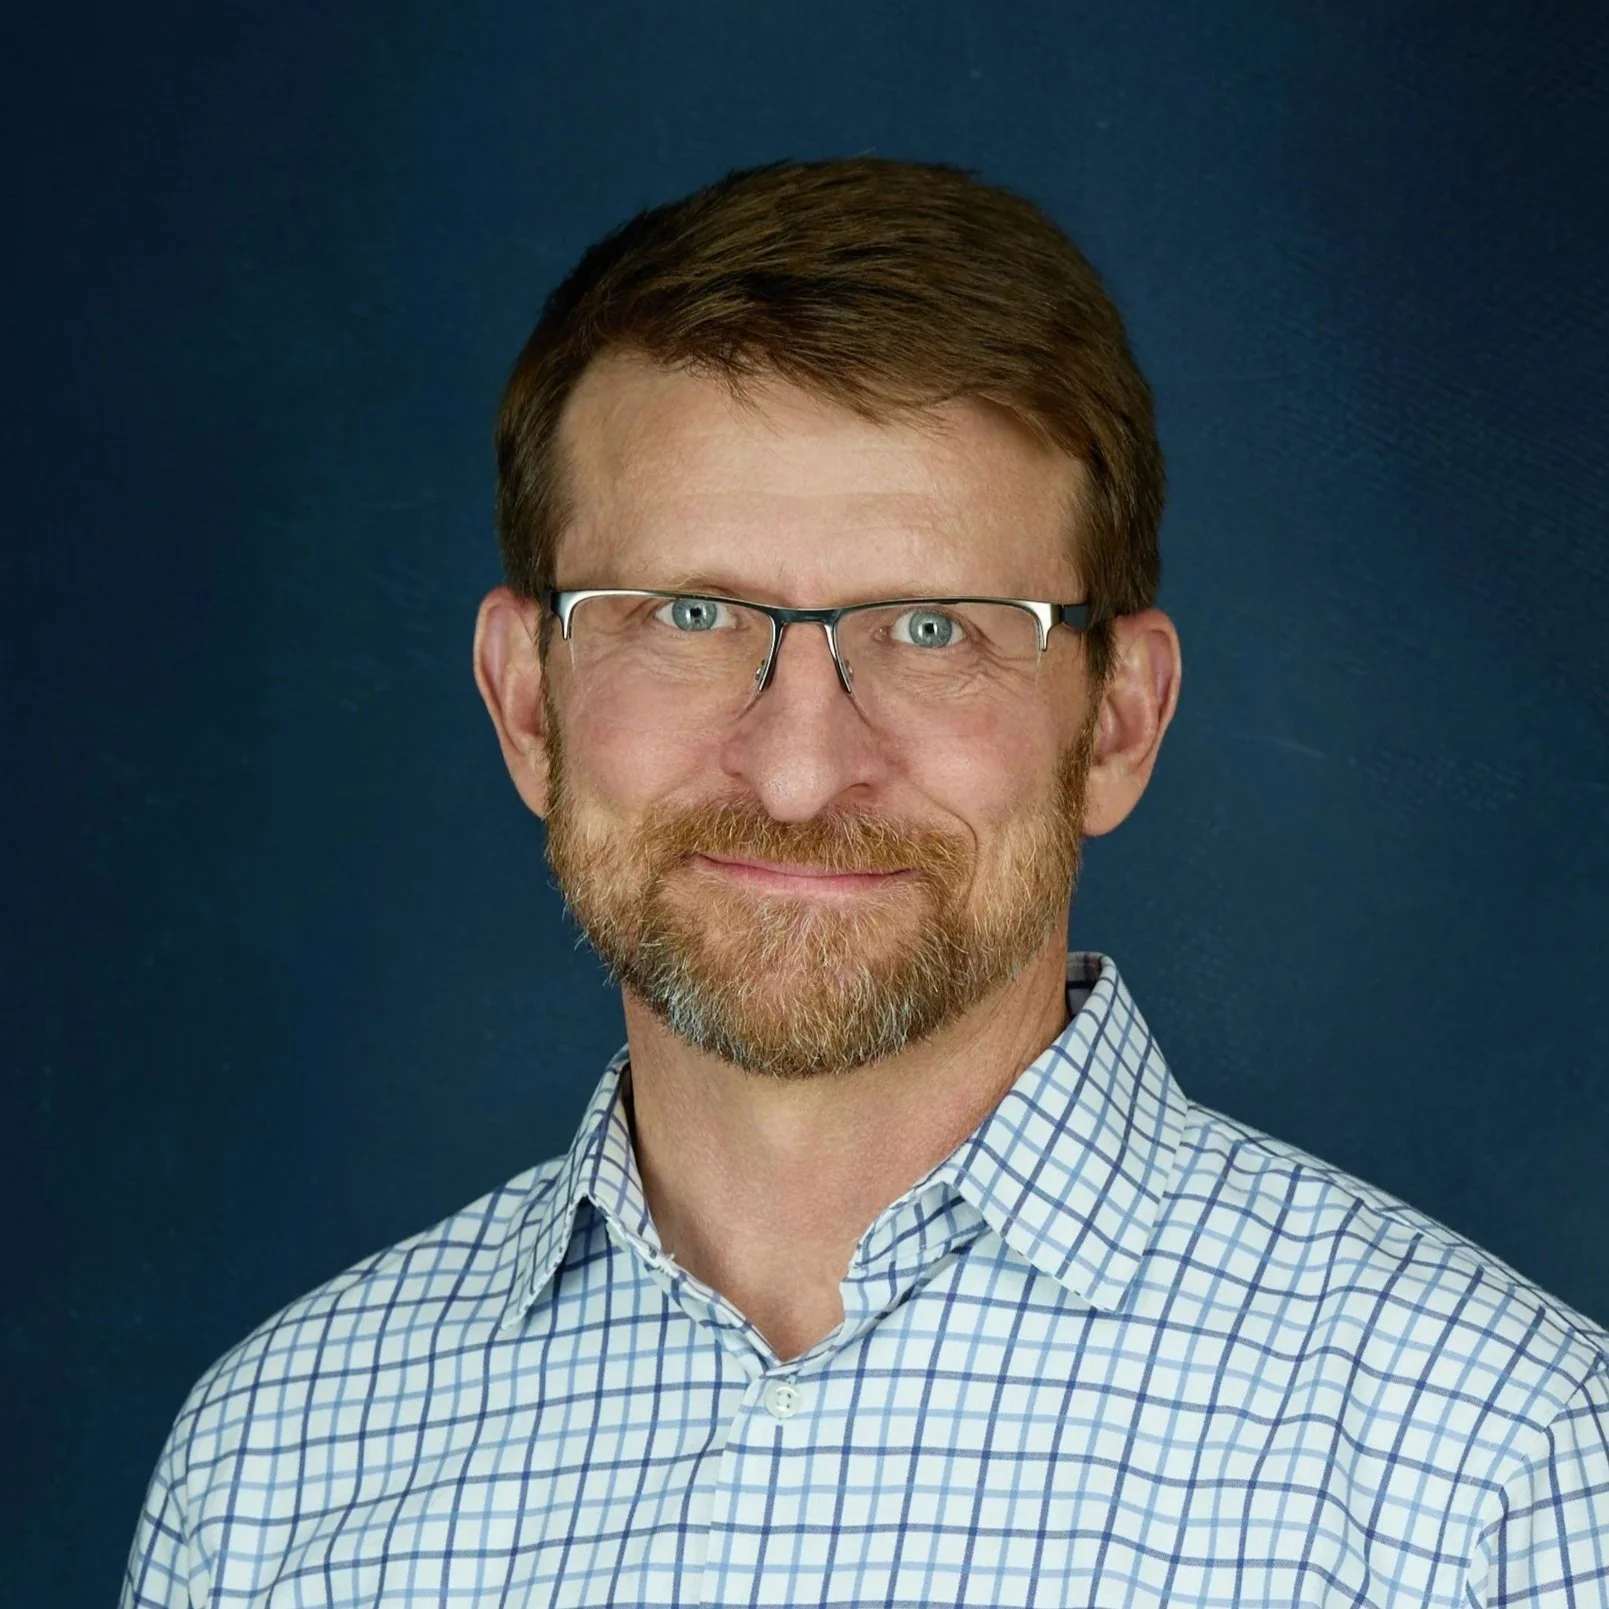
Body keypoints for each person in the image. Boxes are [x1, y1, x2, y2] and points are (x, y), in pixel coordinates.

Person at [123, 158, 1608, 1609]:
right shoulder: (272, 1472)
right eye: (689, 614)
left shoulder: (1496, 1474)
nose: (797, 771)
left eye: (933, 631)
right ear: (527, 703)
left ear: (1117, 723)